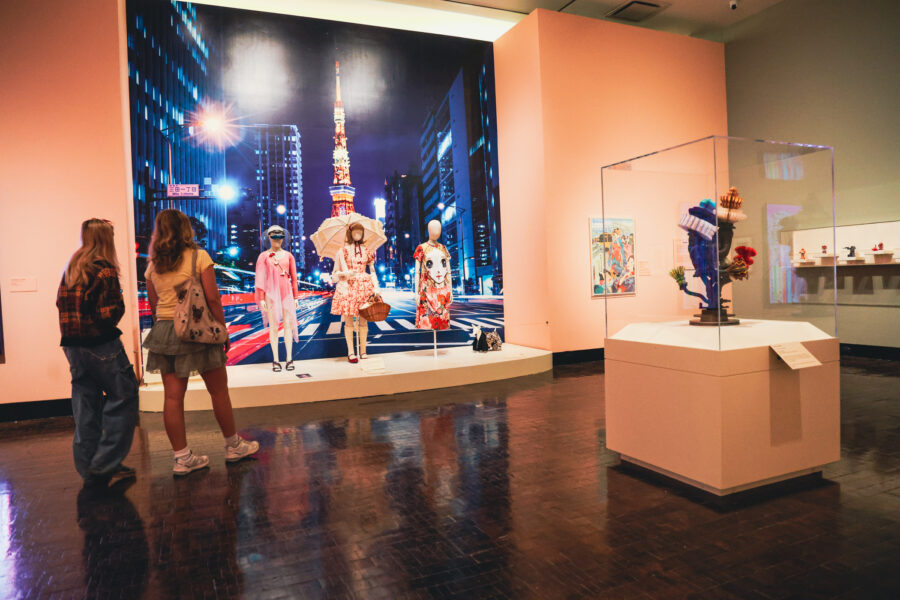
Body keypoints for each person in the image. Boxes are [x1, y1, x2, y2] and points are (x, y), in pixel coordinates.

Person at [143, 209, 258, 476]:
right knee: (218, 391)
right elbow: (213, 299)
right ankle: (233, 446)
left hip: (165, 331)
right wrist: (222, 330)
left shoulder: (153, 265)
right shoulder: (199, 257)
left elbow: (154, 305)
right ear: (186, 229)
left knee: (172, 398)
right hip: (198, 333)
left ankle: (182, 457)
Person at [57, 218, 139, 486]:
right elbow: (107, 314)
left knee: (86, 405)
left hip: (72, 346)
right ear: (107, 238)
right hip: (101, 344)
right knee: (124, 396)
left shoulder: (72, 265)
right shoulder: (104, 269)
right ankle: (105, 463)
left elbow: (59, 302)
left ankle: (89, 465)